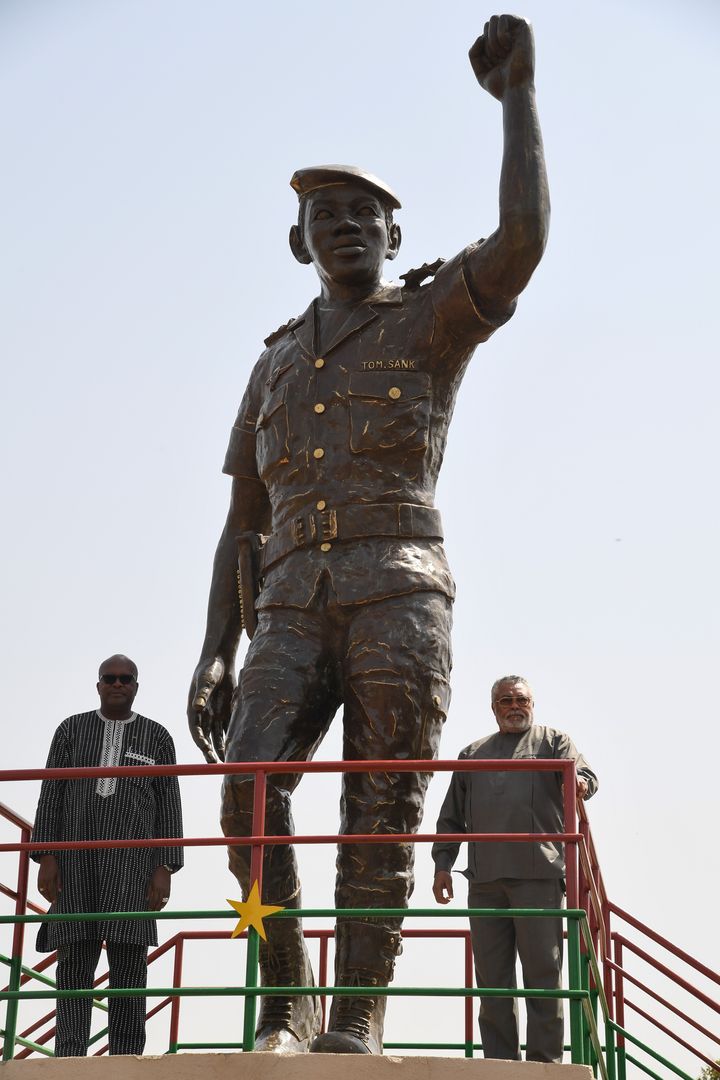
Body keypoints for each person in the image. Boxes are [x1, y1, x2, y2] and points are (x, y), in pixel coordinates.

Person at [187, 14, 550, 1056]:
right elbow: (239, 519)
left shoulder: (427, 317)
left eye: (364, 215)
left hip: (397, 585)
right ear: (298, 242)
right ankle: (287, 999)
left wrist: (517, 99)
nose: (345, 227)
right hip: (290, 598)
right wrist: (216, 644)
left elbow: (520, 242)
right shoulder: (271, 365)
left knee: (381, 804)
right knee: (249, 789)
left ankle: (356, 1014)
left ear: (393, 235)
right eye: (324, 217)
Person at [431, 675, 598, 1063]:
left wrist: (582, 786)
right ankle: (501, 1064)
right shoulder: (472, 754)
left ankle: (545, 1064)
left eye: (521, 699)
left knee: (543, 975)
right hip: (485, 880)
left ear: (532, 703)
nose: (514, 706)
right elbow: (451, 817)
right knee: (492, 982)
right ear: (494, 708)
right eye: (505, 700)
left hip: (538, 875)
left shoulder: (553, 742)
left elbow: (585, 775)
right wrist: (443, 864)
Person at [31, 655, 184, 1057]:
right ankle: (69, 1054)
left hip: (132, 867)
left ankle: (127, 1055)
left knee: (130, 965)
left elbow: (169, 805)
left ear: (136, 686)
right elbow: (51, 794)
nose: (118, 684)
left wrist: (165, 867)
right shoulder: (70, 731)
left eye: (126, 679)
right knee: (75, 963)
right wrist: (47, 855)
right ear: (98, 685)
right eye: (109, 678)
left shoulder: (158, 737)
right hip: (74, 864)